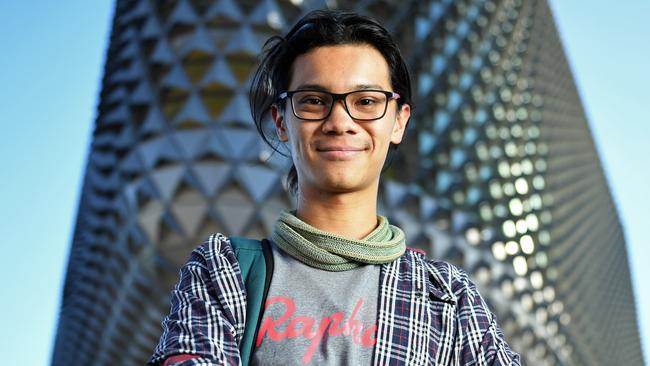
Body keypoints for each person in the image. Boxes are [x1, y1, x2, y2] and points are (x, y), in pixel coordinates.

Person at [148, 9, 520, 366]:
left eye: (366, 101)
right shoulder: (223, 272)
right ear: (281, 121)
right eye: (313, 101)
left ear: (398, 122)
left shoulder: (449, 297)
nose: (339, 121)